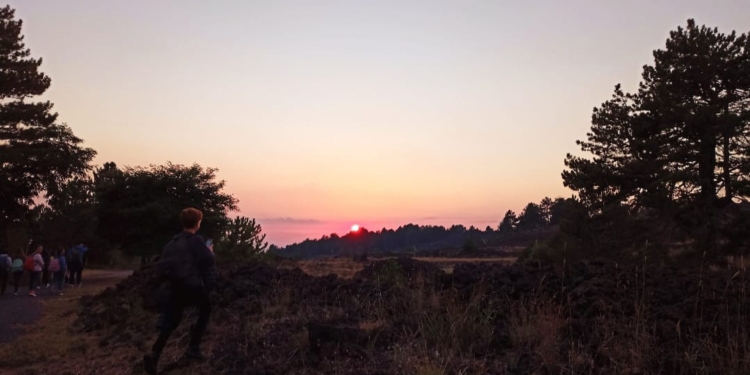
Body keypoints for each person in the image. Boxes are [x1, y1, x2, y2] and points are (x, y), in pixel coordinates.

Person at [144, 208, 216, 375]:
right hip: (192, 285)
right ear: (197, 223)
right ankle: (193, 347)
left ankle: (154, 354)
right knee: (206, 310)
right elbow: (208, 260)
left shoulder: (174, 242)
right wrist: (210, 251)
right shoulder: (196, 240)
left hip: (175, 287)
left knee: (171, 321)